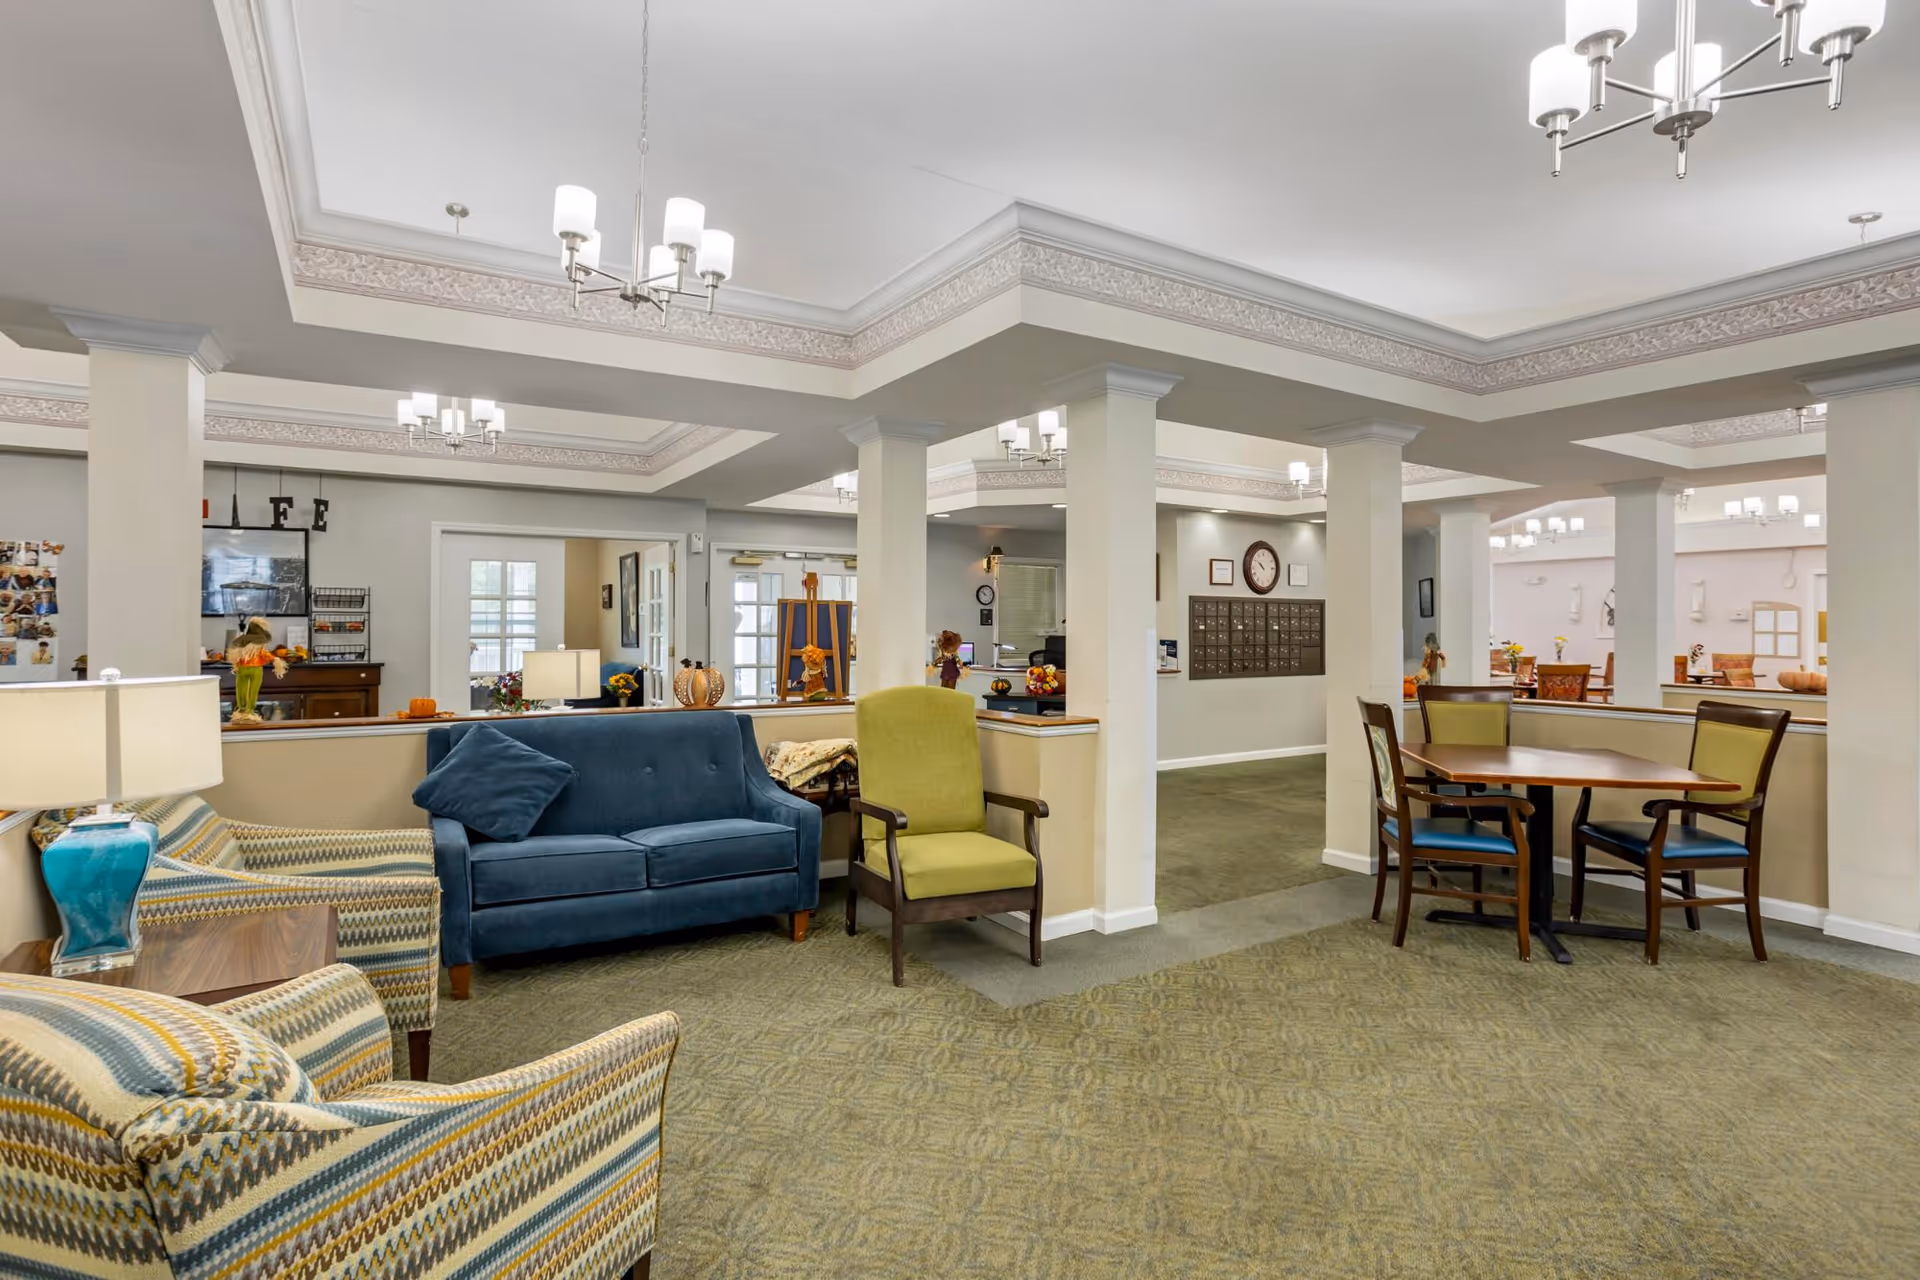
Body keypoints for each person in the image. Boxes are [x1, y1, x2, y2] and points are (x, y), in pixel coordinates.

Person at [228, 616, 288, 724]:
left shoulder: (242, 647)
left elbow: (235, 657)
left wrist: (236, 664)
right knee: (253, 691)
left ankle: (242, 710)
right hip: (256, 669)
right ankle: (249, 711)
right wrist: (275, 660)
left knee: (241, 688)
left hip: (243, 669)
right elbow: (266, 655)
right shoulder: (259, 648)